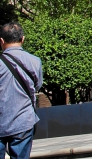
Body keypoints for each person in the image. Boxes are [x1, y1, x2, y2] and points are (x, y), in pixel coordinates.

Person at [0, 22, 43, 159]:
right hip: (23, 120)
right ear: (22, 39)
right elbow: (37, 86)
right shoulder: (35, 61)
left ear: (1, 41)